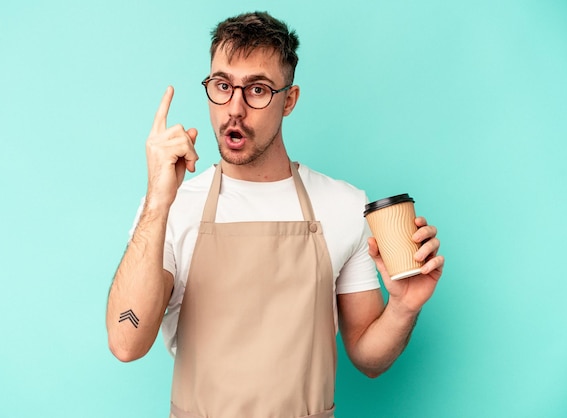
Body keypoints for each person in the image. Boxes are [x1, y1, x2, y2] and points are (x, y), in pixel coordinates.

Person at [106, 11, 444, 418]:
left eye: (258, 90)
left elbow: (368, 359)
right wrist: (157, 201)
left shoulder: (343, 205)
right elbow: (126, 343)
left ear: (289, 100)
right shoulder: (171, 209)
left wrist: (404, 307)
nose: (235, 108)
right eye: (222, 85)